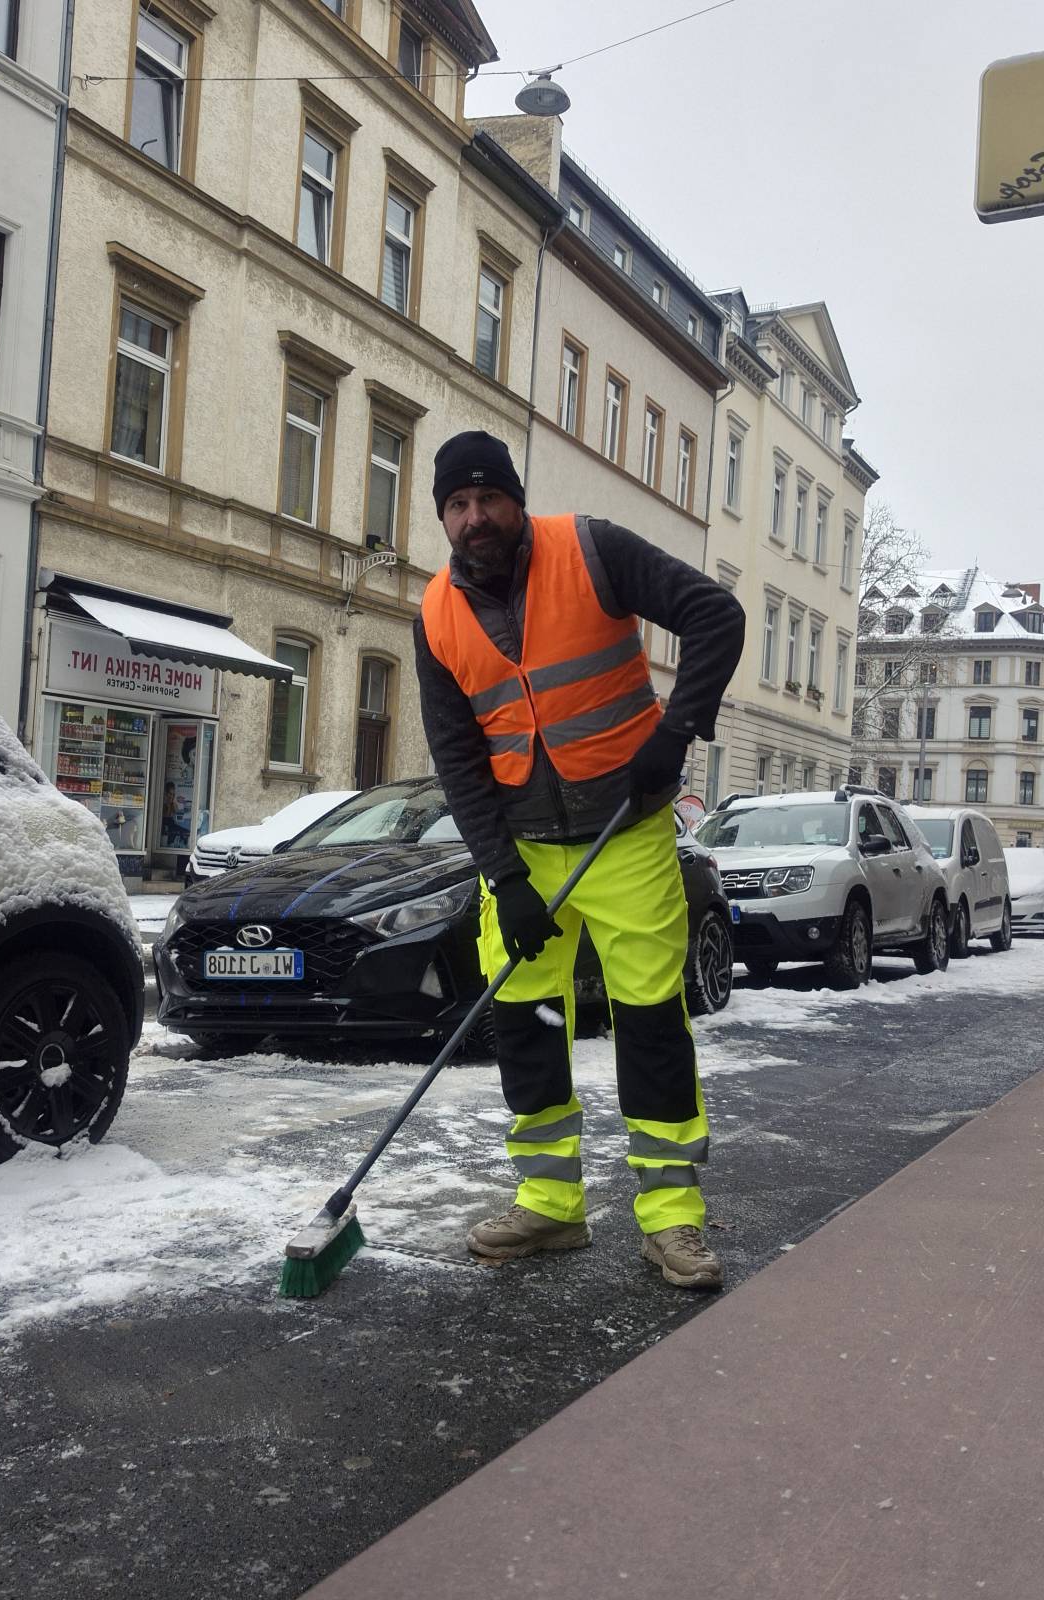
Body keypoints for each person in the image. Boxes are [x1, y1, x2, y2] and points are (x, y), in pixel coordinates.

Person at [415, 430, 745, 1290]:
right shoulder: (436, 615)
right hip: (525, 846)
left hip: (625, 832)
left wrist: (675, 732)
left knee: (648, 1020)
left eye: (489, 498)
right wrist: (505, 876)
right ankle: (550, 1205)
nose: (475, 517)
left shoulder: (591, 549)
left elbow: (716, 614)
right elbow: (456, 757)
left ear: (517, 501)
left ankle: (671, 1221)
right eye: (457, 504)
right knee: (524, 1021)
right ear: (443, 517)